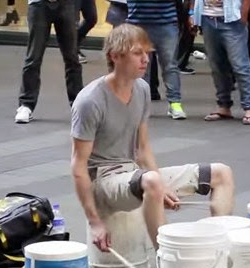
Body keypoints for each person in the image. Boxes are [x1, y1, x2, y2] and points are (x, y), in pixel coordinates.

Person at [70, 24, 235, 252]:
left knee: (220, 173)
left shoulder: (142, 89)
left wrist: (162, 185)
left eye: (147, 53)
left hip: (135, 174)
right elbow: (78, 167)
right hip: (104, 181)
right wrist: (94, 221)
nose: (146, 59)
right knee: (152, 181)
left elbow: (143, 148)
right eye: (138, 53)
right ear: (115, 56)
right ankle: (168, 261)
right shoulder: (90, 100)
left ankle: (221, 254)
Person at [15, 0, 83, 124]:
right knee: (33, 57)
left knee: (72, 58)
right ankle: (26, 105)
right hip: (39, 3)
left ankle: (79, 104)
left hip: (65, 4)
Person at [194, 0, 250, 125]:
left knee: (240, 65)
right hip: (208, 18)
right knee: (217, 66)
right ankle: (224, 106)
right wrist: (192, 13)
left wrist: (244, 13)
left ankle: (249, 108)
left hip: (232, 19)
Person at [126, 0, 187, 119]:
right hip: (138, 24)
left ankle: (175, 103)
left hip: (166, 23)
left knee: (170, 65)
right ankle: (140, 105)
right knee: (141, 67)